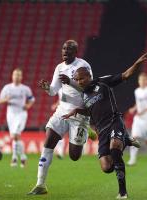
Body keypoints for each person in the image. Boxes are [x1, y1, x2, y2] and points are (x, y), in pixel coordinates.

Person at [62, 51, 147, 199]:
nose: (79, 82)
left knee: (115, 150)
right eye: (77, 80)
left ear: (89, 77)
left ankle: (122, 192)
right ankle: (125, 140)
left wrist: (138, 63)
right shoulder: (83, 95)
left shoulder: (102, 82)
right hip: (102, 131)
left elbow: (125, 75)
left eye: (81, 79)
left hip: (114, 121)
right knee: (106, 167)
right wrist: (77, 110)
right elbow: (90, 111)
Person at [28, 40, 93, 195]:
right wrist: (46, 88)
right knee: (48, 141)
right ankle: (40, 184)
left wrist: (70, 82)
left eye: (69, 49)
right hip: (62, 111)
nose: (65, 51)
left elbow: (90, 88)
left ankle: (87, 131)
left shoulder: (83, 66)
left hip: (79, 114)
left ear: (75, 52)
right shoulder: (59, 67)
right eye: (63, 48)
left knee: (74, 156)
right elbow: (53, 91)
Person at [0, 68, 35, 167]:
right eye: (15, 75)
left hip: (21, 114)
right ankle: (20, 157)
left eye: (19, 75)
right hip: (10, 114)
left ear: (21, 77)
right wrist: (6, 99)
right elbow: (0, 100)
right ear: (12, 76)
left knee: (15, 135)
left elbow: (32, 99)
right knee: (14, 136)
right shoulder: (7, 88)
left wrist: (28, 105)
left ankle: (17, 158)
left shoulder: (25, 89)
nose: (17, 77)